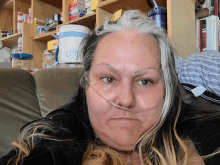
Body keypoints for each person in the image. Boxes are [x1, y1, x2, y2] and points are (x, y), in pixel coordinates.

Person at [0, 9, 220, 165]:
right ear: (86, 87)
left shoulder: (209, 137)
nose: (126, 99)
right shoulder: (50, 145)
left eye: (145, 81)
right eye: (108, 79)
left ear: (167, 91)